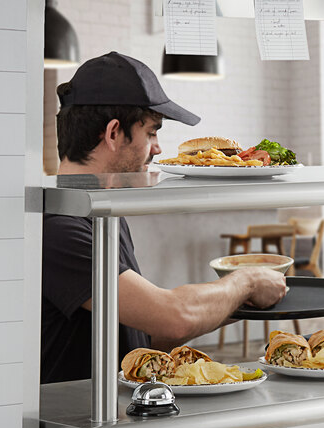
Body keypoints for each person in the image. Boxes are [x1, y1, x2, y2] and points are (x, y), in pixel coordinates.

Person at [41, 52, 286, 384]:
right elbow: (174, 316)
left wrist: (242, 302)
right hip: (73, 418)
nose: (157, 148)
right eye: (152, 132)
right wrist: (247, 282)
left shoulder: (101, 214)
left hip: (114, 406)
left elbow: (141, 337)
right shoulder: (59, 229)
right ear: (113, 133)